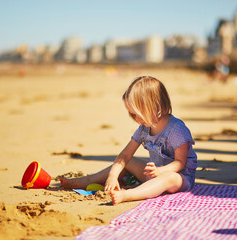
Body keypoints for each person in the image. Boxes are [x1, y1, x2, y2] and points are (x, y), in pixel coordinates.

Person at [60, 76, 198, 205]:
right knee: (129, 162)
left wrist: (161, 171)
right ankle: (86, 180)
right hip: (153, 175)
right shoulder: (144, 129)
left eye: (138, 114)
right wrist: (113, 176)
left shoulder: (177, 130)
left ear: (155, 106)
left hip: (180, 179)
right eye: (132, 114)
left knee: (169, 177)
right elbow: (125, 156)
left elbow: (180, 163)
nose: (136, 119)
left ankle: (129, 195)